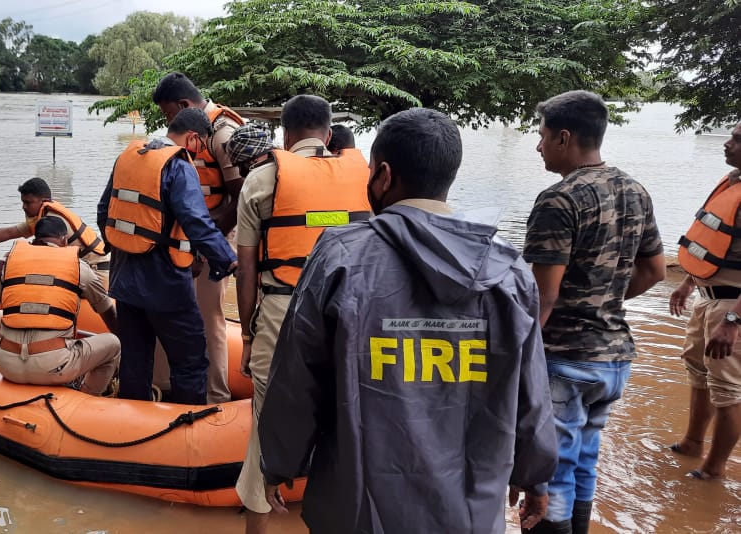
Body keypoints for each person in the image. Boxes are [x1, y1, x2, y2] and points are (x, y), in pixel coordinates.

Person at [257, 108, 558, 533]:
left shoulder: (340, 257)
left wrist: (279, 462)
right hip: (468, 510)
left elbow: (296, 377)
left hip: (358, 508)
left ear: (382, 175)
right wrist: (535, 474)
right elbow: (532, 391)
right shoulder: (509, 272)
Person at [522, 90, 667, 533]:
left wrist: (516, 359)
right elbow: (656, 271)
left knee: (553, 474)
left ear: (564, 137)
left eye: (543, 136)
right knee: (584, 462)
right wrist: (603, 303)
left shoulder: (558, 200)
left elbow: (543, 299)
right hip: (614, 360)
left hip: (566, 360)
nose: (539, 146)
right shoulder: (635, 191)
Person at [230, 96, 372, 534]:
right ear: (329, 135)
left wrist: (250, 335)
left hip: (279, 310)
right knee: (346, 418)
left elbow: (247, 268)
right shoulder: (366, 179)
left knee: (264, 425)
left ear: (285, 136)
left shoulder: (262, 180)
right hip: (348, 312)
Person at [97, 107, 237, 405]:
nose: (198, 152)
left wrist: (121, 248)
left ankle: (133, 423)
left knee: (135, 361)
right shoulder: (178, 165)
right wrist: (228, 260)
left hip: (124, 281)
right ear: (193, 138)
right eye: (200, 145)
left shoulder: (129, 156)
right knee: (190, 362)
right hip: (167, 284)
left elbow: (103, 210)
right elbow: (196, 221)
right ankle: (189, 430)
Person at [153, 72, 245, 404]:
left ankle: (215, 395)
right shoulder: (188, 134)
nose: (166, 123)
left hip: (209, 245)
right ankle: (162, 386)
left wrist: (208, 246)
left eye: (167, 114)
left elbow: (241, 196)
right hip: (180, 242)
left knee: (209, 319)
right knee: (166, 311)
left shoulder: (221, 134)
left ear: (182, 105)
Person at [0, 217, 121, 395]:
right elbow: (108, 311)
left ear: (34, 239)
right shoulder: (78, 267)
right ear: (64, 240)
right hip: (54, 366)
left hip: (7, 366)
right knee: (113, 344)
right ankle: (86, 396)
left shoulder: (7, 262)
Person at [669, 121, 741, 480]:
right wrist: (686, 283)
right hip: (706, 298)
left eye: (737, 139)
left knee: (727, 388)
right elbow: (714, 246)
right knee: (697, 370)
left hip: (732, 307)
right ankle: (692, 443)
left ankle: (715, 469)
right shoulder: (732, 184)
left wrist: (732, 323)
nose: (727, 144)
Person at [0, 177, 110, 286]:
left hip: (96, 273)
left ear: (43, 200)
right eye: (22, 202)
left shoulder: (52, 221)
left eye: (28, 202)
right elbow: (9, 232)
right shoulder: (44, 217)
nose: (24, 207)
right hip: (90, 269)